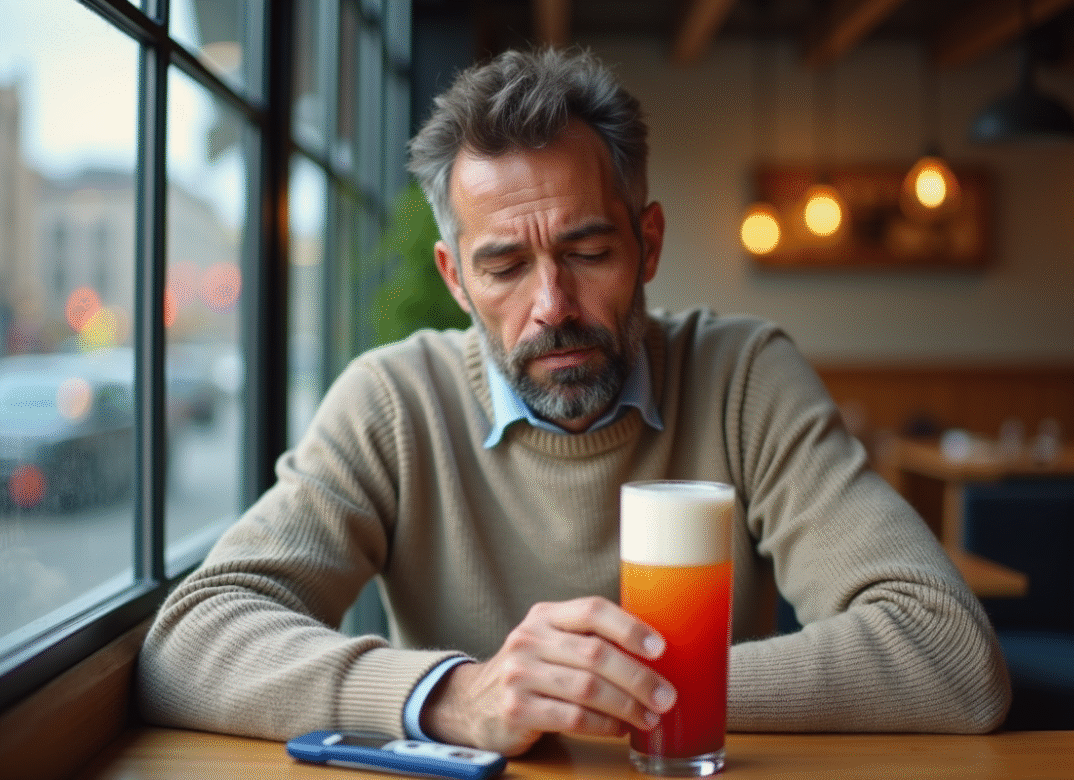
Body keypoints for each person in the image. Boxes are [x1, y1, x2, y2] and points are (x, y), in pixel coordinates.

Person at [137, 47, 1010, 756]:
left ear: (648, 242)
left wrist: (615, 694)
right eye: (506, 266)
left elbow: (951, 655)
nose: (551, 307)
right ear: (456, 280)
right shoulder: (393, 400)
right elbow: (189, 644)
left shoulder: (743, 375)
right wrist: (456, 695)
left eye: (588, 251)